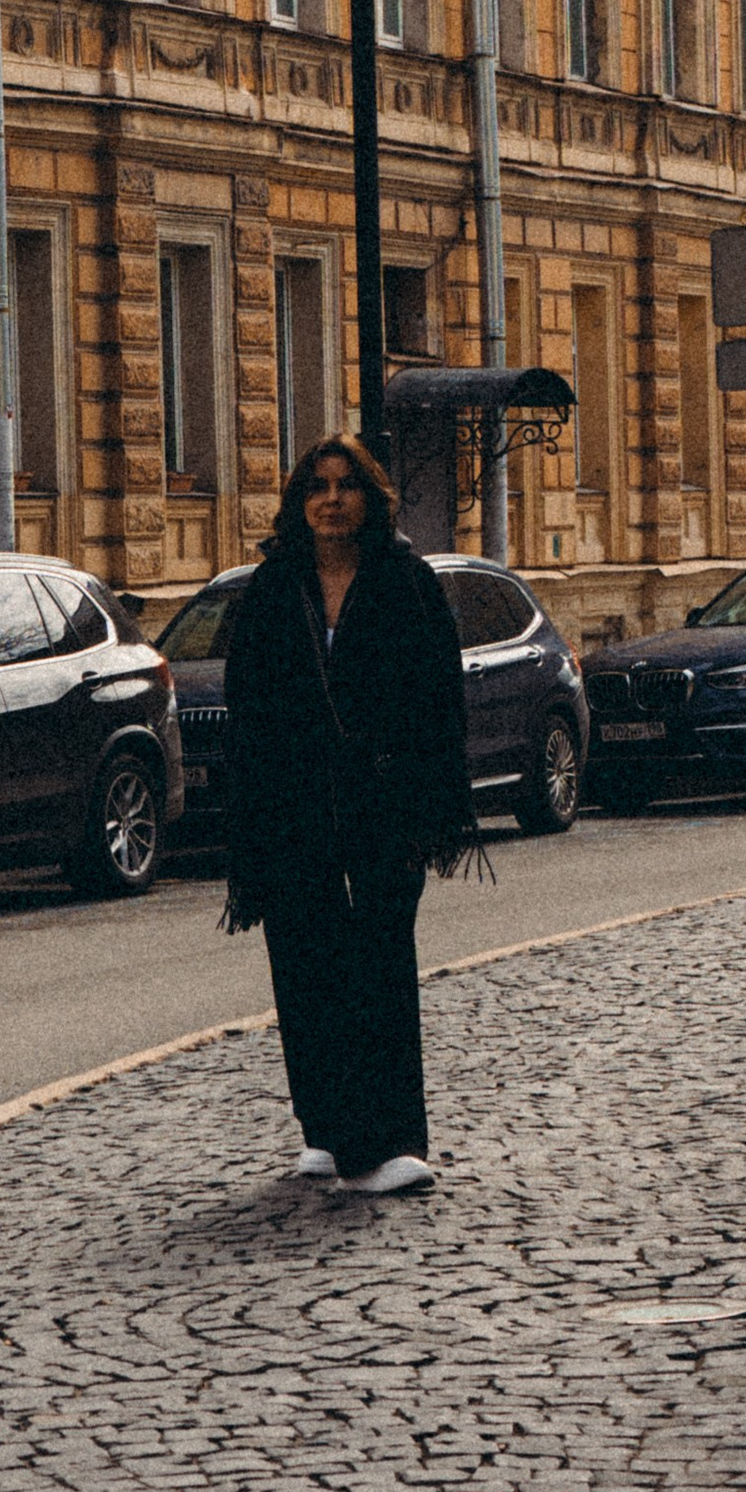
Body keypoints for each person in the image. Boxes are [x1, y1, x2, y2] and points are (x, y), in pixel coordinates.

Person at [220, 434, 480, 1196]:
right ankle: (328, 1130)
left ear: (371, 498)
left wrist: (431, 809)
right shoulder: (274, 589)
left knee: (379, 963)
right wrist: (252, 818)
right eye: (317, 487)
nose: (331, 499)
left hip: (385, 804)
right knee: (305, 966)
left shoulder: (405, 582)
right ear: (300, 503)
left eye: (346, 485)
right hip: (295, 806)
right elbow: (250, 709)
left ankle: (391, 1139)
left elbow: (440, 706)